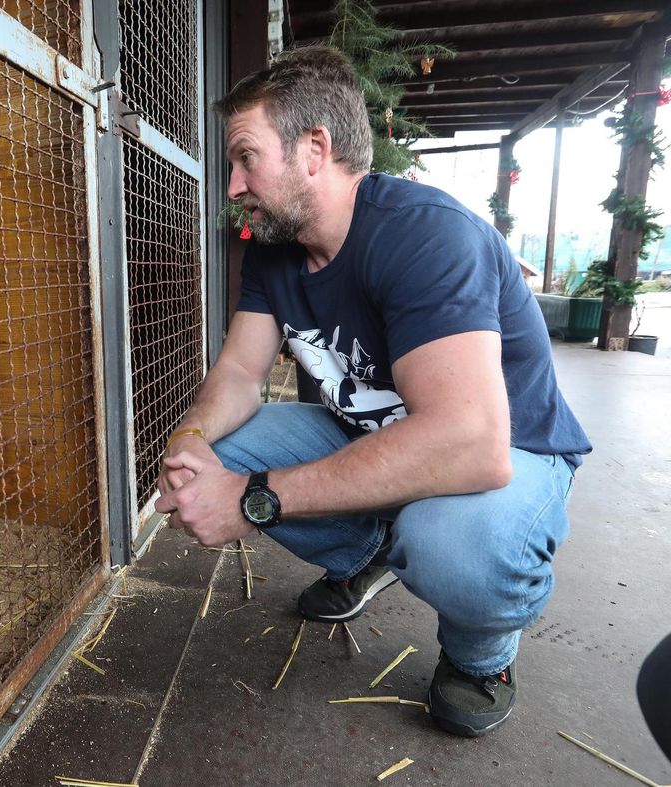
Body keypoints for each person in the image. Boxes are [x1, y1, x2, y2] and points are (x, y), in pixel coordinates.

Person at [153, 46, 591, 738]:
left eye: (245, 157)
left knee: (454, 541)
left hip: (512, 450)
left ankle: (480, 656)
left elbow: (471, 444)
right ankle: (370, 554)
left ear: (314, 149)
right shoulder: (275, 250)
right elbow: (239, 372)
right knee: (225, 444)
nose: (232, 184)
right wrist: (188, 443)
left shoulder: (423, 235)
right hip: (382, 436)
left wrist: (252, 497)